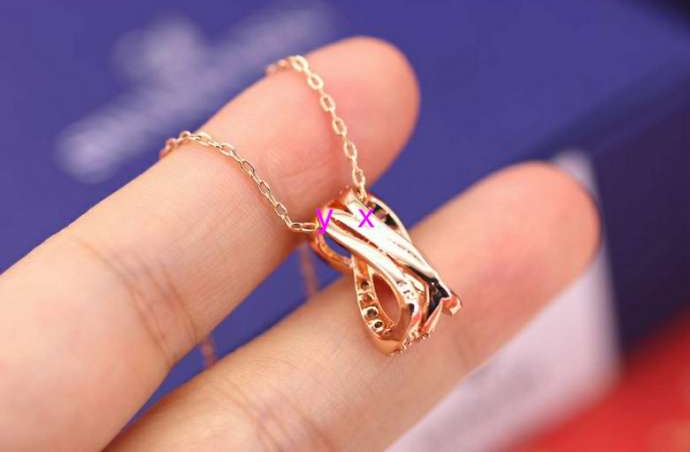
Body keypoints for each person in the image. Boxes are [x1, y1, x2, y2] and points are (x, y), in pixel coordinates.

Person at [0, 37, 599, 451]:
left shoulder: (350, 216)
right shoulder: (338, 226)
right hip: (369, 255)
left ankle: (424, 297)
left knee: (385, 252)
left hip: (379, 254)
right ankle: (421, 297)